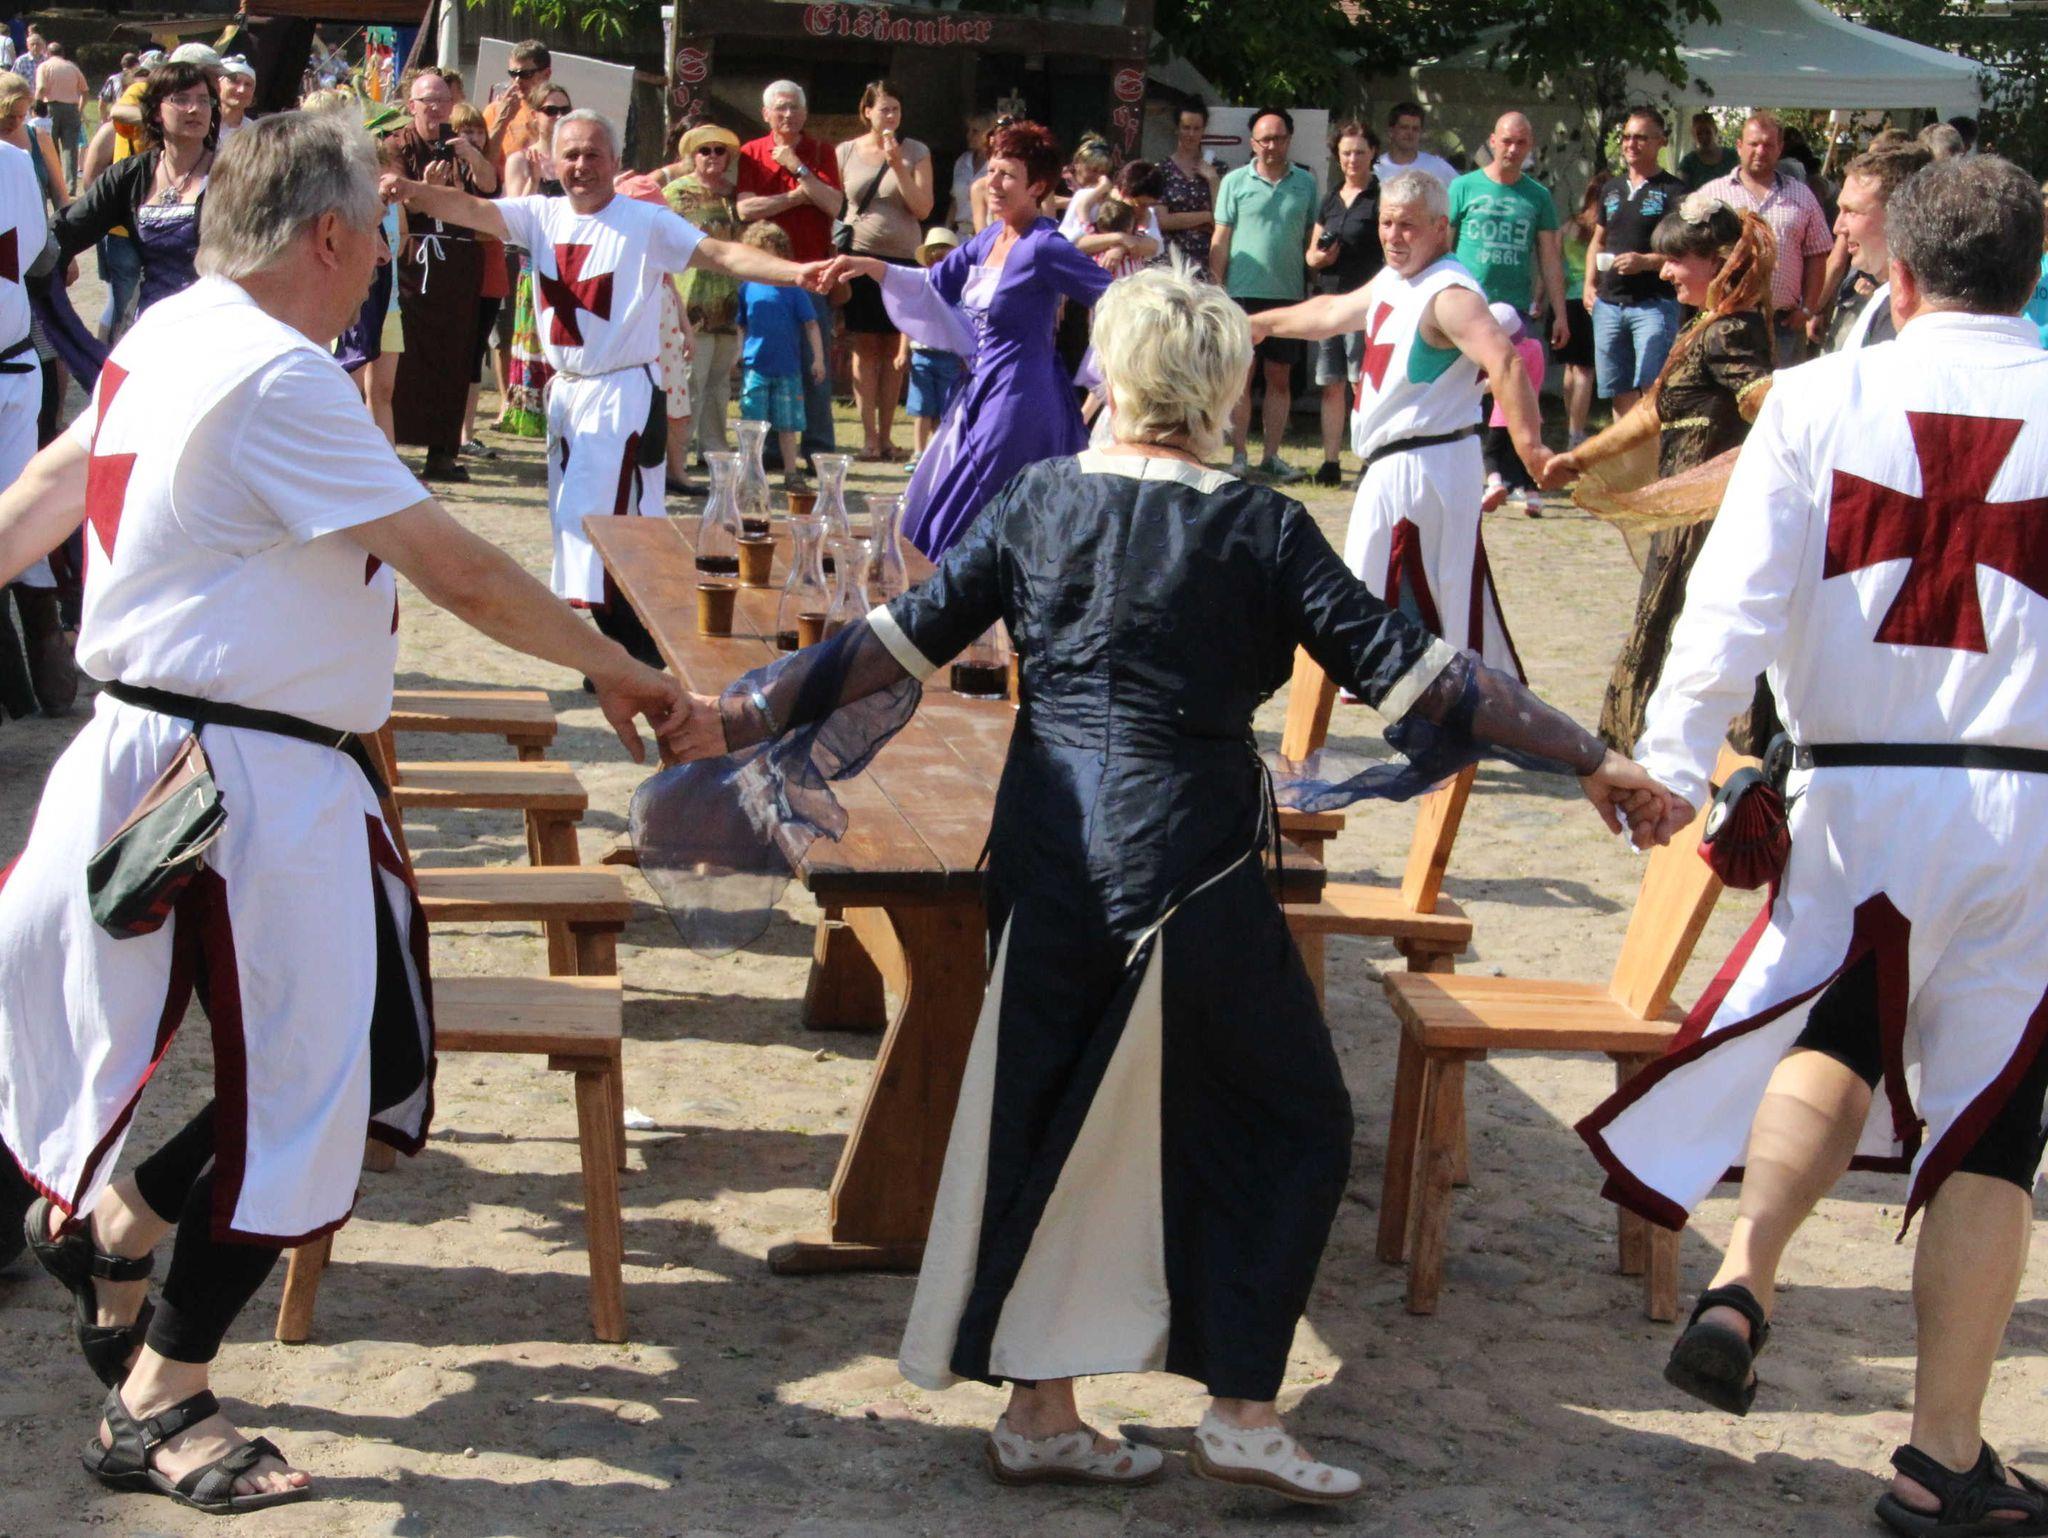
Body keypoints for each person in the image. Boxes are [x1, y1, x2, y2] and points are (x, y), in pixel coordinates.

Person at [647, 263, 1682, 1506]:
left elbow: (893, 640)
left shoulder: (1042, 497)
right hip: (1185, 858)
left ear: (1117, 376)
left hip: (1045, 845)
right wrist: (1589, 753)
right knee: (1289, 1118)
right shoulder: (1256, 525)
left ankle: (1043, 1411)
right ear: (1219, 387)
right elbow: (1419, 671)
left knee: (1050, 1105)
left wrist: (737, 712)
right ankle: (1235, 1406)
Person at [0, 106, 688, 1518]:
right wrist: (621, 667)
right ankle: (163, 1393)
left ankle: (119, 1224)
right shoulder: (277, 375)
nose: (385, 249)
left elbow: (42, 495)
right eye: (378, 226)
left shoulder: (172, 331)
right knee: (307, 1089)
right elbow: (459, 570)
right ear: (327, 235)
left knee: (361, 1058)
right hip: (245, 782)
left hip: (195, 754)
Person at [1576, 155, 2048, 1538]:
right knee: (1994, 1122)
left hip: (1851, 794)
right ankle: (1940, 1452)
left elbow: (1729, 601)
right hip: (2026, 808)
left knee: (1837, 1028)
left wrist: (1673, 762)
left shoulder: (1816, 399)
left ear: (1894, 275)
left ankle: (1742, 1272)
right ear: (2032, 274)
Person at [380, 107, 830, 657]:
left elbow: (718, 253)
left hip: (623, 395)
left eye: (593, 154)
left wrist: (795, 272)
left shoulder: (645, 221)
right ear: (552, 162)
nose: (581, 165)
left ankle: (634, 654)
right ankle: (631, 652)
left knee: (607, 528)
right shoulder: (540, 215)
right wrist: (411, 191)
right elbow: (472, 208)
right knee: (594, 526)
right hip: (568, 394)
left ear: (615, 160)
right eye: (570, 154)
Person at [1249, 170, 1548, 677]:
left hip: (1427, 467)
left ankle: (1445, 714)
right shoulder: (1396, 278)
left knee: (1421, 620)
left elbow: (1506, 361)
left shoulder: (1449, 294)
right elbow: (1332, 312)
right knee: (1364, 616)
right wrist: (1260, 324)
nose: (1393, 235)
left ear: (1440, 227)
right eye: (1387, 223)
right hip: (1394, 466)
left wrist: (1531, 449)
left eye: (1407, 225)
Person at [1539, 195, 1775, 751]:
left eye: (1676, 260)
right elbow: (1652, 411)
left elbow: (1765, 400)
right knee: (1671, 628)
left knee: (1696, 635)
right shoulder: (1706, 325)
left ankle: (1706, 758)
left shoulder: (1730, 330)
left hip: (1708, 522)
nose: (1665, 272)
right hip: (1685, 517)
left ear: (1718, 262)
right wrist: (1579, 457)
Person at [827, 119, 1112, 558]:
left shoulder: (1044, 245)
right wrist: (873, 267)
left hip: (1021, 398)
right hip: (981, 389)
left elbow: (1116, 295)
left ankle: (947, 586)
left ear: (1037, 187)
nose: (992, 183)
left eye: (1007, 175)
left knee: (974, 506)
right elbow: (933, 284)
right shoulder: (991, 237)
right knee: (954, 501)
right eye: (991, 170)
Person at [387, 67, 497, 482]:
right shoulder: (397, 144)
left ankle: (443, 453)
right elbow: (397, 196)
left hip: (458, 266)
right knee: (405, 357)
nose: (436, 109)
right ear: (411, 105)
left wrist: (473, 156)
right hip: (415, 262)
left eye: (443, 101)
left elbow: (490, 187)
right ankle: (391, 448)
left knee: (456, 355)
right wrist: (423, 188)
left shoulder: (460, 143)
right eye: (427, 101)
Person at [55, 62, 218, 320]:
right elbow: (70, 228)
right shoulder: (130, 175)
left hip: (216, 322)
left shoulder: (232, 174)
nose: (195, 108)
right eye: (181, 99)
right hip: (151, 322)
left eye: (204, 100)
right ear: (155, 112)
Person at [736, 80, 843, 466]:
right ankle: (768, 452)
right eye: (779, 107)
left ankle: (817, 448)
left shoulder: (821, 152)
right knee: (766, 360)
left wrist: (798, 168)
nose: (787, 114)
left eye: (794, 106)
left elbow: (834, 205)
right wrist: (798, 196)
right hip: (763, 275)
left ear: (805, 112)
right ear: (765, 114)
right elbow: (745, 210)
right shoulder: (751, 153)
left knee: (814, 362)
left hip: (811, 271)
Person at [1211, 106, 1317, 483]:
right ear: (1253, 142)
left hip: (1288, 295)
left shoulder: (1306, 183)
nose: (1272, 145)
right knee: (1241, 378)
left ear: (1290, 139)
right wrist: (1216, 288)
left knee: (1279, 378)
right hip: (1241, 293)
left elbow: (1312, 238)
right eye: (1265, 139)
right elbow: (1220, 238)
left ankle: (1271, 456)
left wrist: (1315, 276)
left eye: (1279, 138)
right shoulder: (1234, 182)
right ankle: (1239, 455)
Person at [837, 79, 933, 464]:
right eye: (883, 109)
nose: (890, 116)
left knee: (894, 348)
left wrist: (898, 166)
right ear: (867, 112)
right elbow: (838, 204)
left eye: (896, 109)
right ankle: (869, 439)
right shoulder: (846, 151)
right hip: (859, 255)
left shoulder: (916, 152)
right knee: (864, 346)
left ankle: (889, 435)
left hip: (902, 260)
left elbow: (923, 208)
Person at [1696, 112, 1832, 365]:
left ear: (1780, 148)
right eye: (1754, 144)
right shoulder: (1712, 195)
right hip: (1725, 320)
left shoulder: (1802, 196)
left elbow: (1817, 254)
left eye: (1768, 145)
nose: (1760, 151)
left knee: (1781, 390)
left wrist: (1808, 308)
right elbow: (1693, 253)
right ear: (1739, 146)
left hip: (1783, 325)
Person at [1585, 108, 1685, 417]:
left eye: (1641, 137)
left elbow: (1683, 251)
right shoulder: (1611, 188)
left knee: (1652, 388)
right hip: (1609, 304)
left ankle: (1651, 447)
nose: (1631, 144)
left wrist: (1646, 262)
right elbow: (1598, 240)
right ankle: (1625, 446)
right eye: (1626, 136)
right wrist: (1588, 284)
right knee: (1618, 390)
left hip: (1653, 304)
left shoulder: (1674, 191)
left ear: (1661, 142)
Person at [1303, 119, 1382, 487]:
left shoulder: (1381, 198)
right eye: (1346, 152)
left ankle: (1368, 458)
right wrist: (1320, 258)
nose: (1353, 159)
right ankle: (1331, 461)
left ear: (1373, 153)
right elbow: (1310, 255)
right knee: (1331, 383)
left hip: (1365, 303)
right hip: (1330, 300)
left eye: (1360, 152)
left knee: (1361, 383)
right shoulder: (1331, 198)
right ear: (1337, 155)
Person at [494, 79, 570, 438]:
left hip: (570, 262)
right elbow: (515, 215)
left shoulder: (573, 160)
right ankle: (526, 409)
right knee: (530, 338)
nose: (558, 116)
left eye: (564, 110)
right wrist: (536, 179)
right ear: (536, 115)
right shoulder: (520, 159)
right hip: (533, 262)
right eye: (551, 110)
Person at [663, 122, 741, 462]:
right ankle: (678, 453)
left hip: (729, 299)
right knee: (691, 379)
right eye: (704, 150)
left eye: (719, 150)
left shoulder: (735, 194)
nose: (712, 155)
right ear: (692, 156)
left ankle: (713, 450)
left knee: (720, 382)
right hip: (692, 296)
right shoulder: (676, 192)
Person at [1825, 137, 1933, 352]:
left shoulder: (1916, 317)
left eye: (1852, 212)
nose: (1838, 227)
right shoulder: (1885, 297)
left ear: (1899, 215)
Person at [737, 221, 822, 491]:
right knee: (753, 424)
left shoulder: (793, 288)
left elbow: (811, 324)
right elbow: (741, 324)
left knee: (788, 425)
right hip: (755, 367)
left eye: (768, 252)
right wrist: (737, 353)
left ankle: (790, 472)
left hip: (788, 369)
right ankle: (750, 472)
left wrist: (818, 358)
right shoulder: (747, 287)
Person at [447, 102, 507, 461]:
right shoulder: (443, 167)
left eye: (477, 130)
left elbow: (493, 222)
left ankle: (466, 433)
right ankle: (443, 430)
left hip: (488, 271)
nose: (471, 137)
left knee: (474, 354)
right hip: (452, 272)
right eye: (464, 130)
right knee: (450, 352)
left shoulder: (491, 167)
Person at [897, 225, 963, 469]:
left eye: (945, 257)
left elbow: (963, 324)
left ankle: (938, 453)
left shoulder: (959, 290)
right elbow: (908, 321)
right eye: (934, 257)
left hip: (948, 355)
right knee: (922, 407)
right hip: (921, 354)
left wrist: (964, 354)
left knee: (945, 408)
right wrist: (902, 351)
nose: (938, 262)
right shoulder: (920, 287)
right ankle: (918, 452)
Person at [1557, 175, 1602, 448]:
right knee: (1586, 370)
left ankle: (1571, 425)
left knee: (1571, 367)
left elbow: (1554, 260)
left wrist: (1541, 298)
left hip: (1565, 301)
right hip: (1590, 299)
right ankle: (1577, 433)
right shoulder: (1602, 229)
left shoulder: (1568, 225)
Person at [1157, 101, 1217, 267]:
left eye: (1196, 128)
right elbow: (1162, 220)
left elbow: (1223, 219)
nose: (1191, 134)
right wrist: (1207, 216)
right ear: (1177, 128)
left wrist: (1213, 180)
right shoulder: (1162, 170)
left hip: (1207, 259)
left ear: (1203, 130)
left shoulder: (1218, 168)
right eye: (1186, 127)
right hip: (1171, 259)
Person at [483, 39, 551, 173]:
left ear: (546, 74)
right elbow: (483, 164)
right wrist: (502, 121)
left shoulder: (558, 110)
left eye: (526, 74)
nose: (517, 80)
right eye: (513, 74)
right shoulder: (495, 111)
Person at [32, 39, 83, 191]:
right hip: (71, 108)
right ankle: (70, 186)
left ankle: (53, 185)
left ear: (48, 53)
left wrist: (36, 105)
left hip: (51, 108)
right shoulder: (72, 67)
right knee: (70, 148)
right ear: (63, 53)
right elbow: (85, 90)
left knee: (50, 148)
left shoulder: (44, 66)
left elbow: (41, 87)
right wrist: (80, 108)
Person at [1375, 101, 1457, 188]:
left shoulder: (1437, 167)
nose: (1410, 133)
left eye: (1415, 129)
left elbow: (1462, 190)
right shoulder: (1377, 168)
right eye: (1404, 127)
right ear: (1391, 132)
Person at [948, 108, 992, 237]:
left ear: (989, 133)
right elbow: (955, 201)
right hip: (961, 234)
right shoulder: (962, 161)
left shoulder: (996, 165)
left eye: (975, 131)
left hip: (986, 234)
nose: (969, 136)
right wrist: (947, 230)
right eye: (968, 130)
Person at [1677, 110, 1731, 190]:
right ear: (1693, 134)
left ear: (1715, 130)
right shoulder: (1688, 162)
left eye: (1708, 132)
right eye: (1699, 133)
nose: (1704, 137)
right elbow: (1682, 190)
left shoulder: (1731, 156)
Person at [215, 56, 255, 144]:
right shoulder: (202, 123)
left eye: (248, 84)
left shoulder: (254, 133)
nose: (242, 90)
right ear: (217, 84)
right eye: (235, 81)